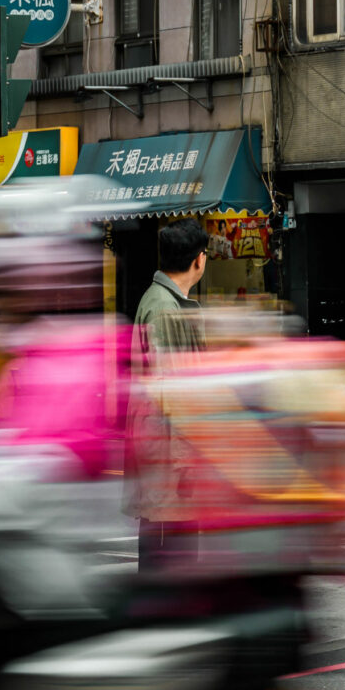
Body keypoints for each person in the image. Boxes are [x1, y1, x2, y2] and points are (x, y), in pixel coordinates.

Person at [123, 217, 209, 571]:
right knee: (170, 549)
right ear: (199, 260)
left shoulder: (165, 302)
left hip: (165, 450)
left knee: (172, 545)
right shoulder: (164, 308)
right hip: (167, 453)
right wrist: (186, 462)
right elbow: (172, 392)